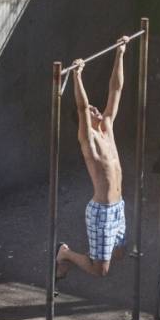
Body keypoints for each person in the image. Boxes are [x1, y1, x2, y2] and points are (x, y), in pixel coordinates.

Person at [55, 39, 129, 280]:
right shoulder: (89, 140)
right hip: (102, 211)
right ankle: (65, 254)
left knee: (119, 253)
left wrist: (120, 53)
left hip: (118, 206)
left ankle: (92, 253)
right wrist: (77, 76)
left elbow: (116, 90)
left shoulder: (107, 127)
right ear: (84, 121)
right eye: (92, 111)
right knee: (101, 269)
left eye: (96, 108)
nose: (96, 110)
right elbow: (81, 105)